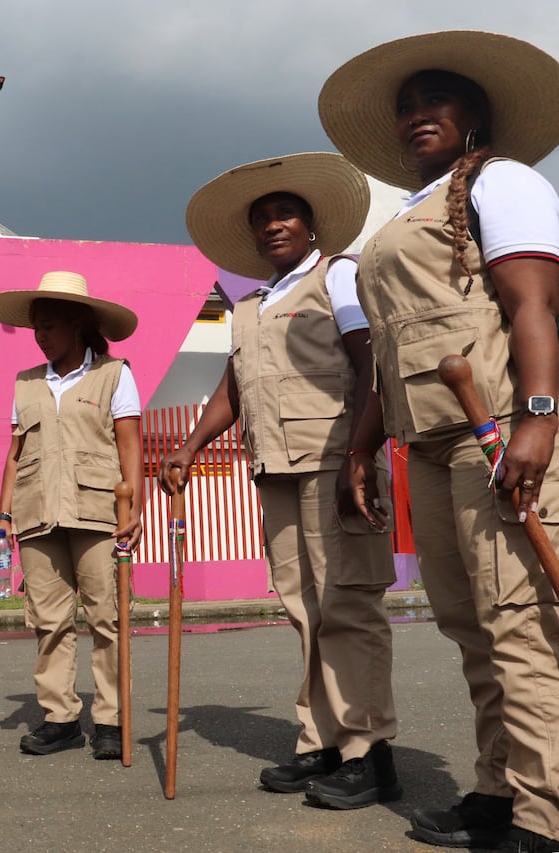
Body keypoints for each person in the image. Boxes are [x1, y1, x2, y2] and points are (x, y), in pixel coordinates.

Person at [320, 30, 559, 851]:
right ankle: (498, 791)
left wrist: (539, 413)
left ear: (476, 113)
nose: (418, 115)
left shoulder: (504, 181)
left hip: (496, 437)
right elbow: (395, 350)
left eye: (435, 100)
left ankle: (546, 816)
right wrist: (362, 448)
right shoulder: (416, 208)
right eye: (407, 107)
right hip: (429, 445)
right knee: (473, 629)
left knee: (521, 627)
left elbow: (533, 303)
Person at [165, 153, 399, 808]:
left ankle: (370, 752)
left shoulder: (338, 277)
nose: (273, 224)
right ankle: (322, 741)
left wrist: (362, 454)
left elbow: (370, 362)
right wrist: (187, 446)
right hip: (275, 468)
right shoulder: (246, 307)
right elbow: (232, 390)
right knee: (305, 610)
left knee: (348, 606)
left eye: (285, 213)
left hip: (337, 462)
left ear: (310, 224)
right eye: (262, 217)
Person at [0, 271, 143, 760]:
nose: (41, 335)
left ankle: (111, 720)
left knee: (107, 619)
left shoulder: (114, 374)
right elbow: (14, 454)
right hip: (36, 516)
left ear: (77, 325)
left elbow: (130, 442)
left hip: (97, 512)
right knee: (48, 622)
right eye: (37, 328)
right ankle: (60, 718)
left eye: (50, 325)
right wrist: (2, 515)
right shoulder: (25, 383)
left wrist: (133, 508)